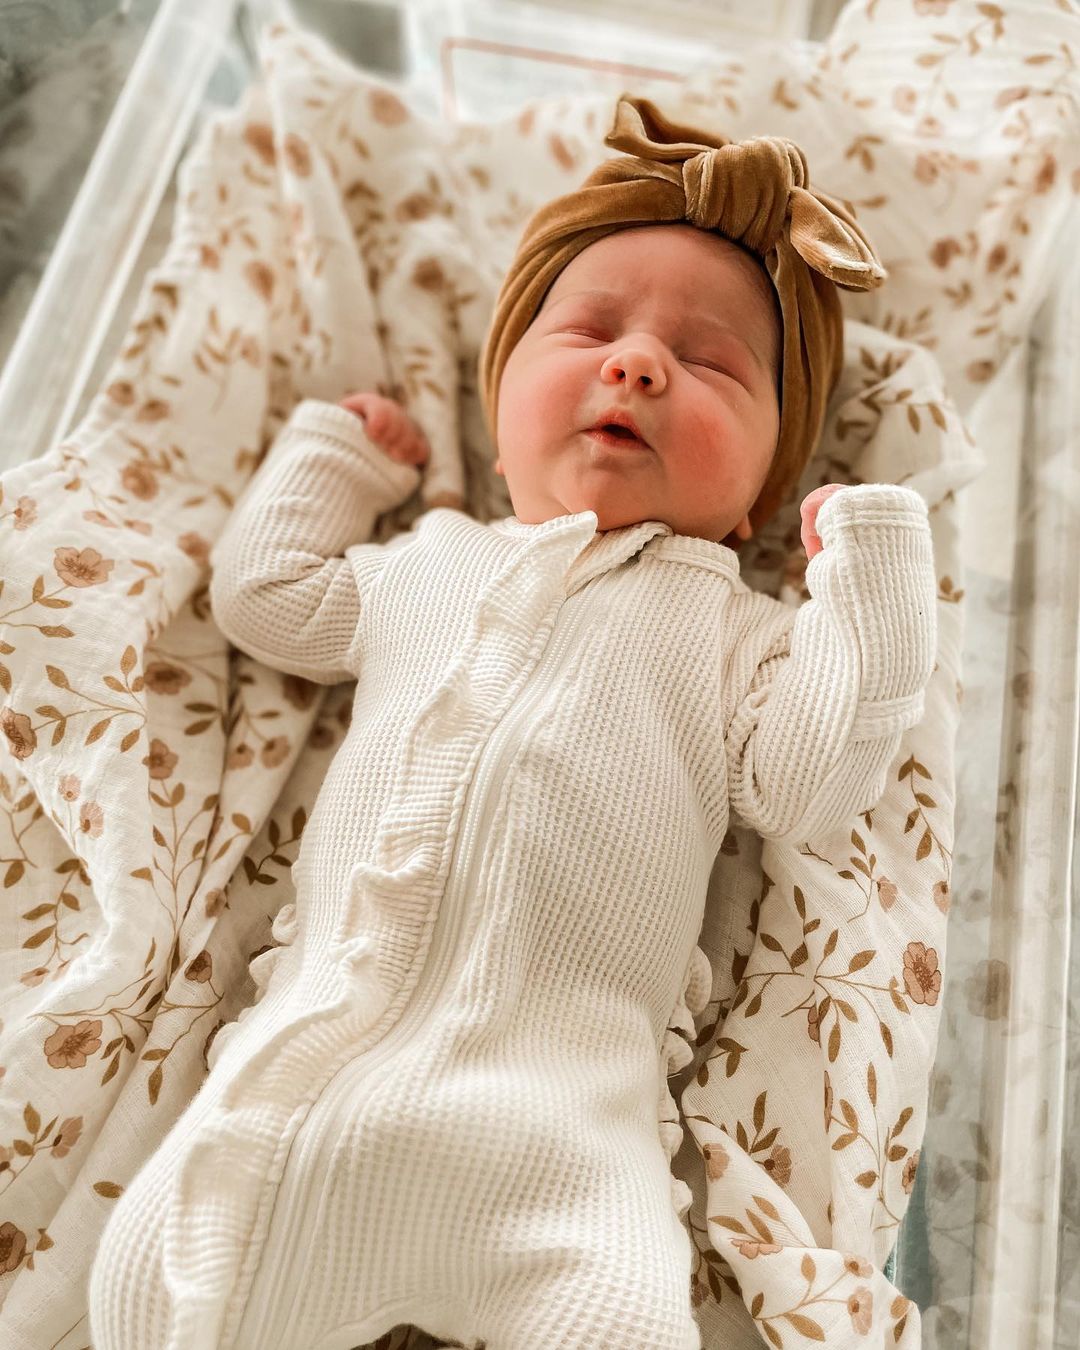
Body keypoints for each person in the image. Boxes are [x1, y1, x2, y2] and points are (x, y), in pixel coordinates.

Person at [88, 95, 936, 1350]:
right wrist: (340, 455)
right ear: (498, 405)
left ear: (761, 489)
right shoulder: (429, 559)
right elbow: (266, 599)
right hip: (311, 1086)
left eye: (708, 365)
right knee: (142, 1286)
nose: (637, 365)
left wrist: (872, 571)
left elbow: (810, 782)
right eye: (590, 331)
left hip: (565, 1137)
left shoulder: (736, 631)